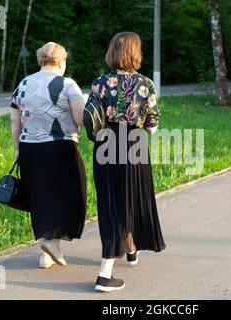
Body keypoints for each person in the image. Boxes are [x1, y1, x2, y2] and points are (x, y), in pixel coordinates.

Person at [86, 32, 166, 292]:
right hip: (134, 144)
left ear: (113, 51)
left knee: (111, 204)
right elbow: (152, 127)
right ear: (135, 52)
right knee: (131, 199)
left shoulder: (99, 83)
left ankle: (130, 248)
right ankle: (104, 274)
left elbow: (90, 119)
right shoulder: (145, 84)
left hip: (105, 144)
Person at [10, 42, 87, 269]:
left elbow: (15, 120)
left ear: (40, 60)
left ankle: (47, 251)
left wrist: (17, 148)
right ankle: (51, 244)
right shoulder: (67, 84)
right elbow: (81, 119)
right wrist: (82, 98)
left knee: (41, 197)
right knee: (70, 194)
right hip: (60, 147)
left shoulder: (23, 84)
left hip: (29, 149)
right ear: (61, 62)